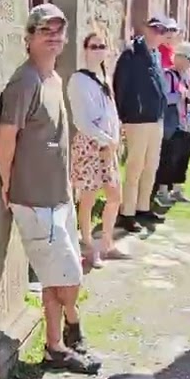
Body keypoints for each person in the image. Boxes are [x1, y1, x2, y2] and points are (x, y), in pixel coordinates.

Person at [0, 3, 99, 374]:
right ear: (28, 39)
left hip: (59, 197)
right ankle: (72, 327)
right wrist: (6, 181)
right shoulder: (25, 82)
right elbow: (6, 135)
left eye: (58, 30)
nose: (53, 37)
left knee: (58, 275)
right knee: (68, 275)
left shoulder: (54, 80)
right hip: (35, 199)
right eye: (44, 31)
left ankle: (55, 348)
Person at [66, 30, 128, 269]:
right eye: (94, 46)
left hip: (108, 146)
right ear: (85, 49)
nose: (98, 50)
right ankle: (88, 245)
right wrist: (104, 139)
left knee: (114, 195)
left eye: (102, 46)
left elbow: (110, 112)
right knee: (88, 198)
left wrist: (115, 137)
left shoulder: (104, 78)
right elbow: (81, 120)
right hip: (90, 145)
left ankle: (106, 242)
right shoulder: (78, 80)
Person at [111, 16, 174, 232]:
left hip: (155, 118)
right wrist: (125, 115)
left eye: (162, 30)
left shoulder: (156, 54)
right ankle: (127, 212)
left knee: (151, 166)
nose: (159, 34)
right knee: (135, 166)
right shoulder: (131, 53)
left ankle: (143, 207)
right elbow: (120, 86)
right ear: (146, 29)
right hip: (136, 120)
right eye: (156, 29)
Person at [153, 45, 190, 206]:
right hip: (173, 124)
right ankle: (162, 191)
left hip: (188, 122)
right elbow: (163, 98)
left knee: (183, 157)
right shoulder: (168, 75)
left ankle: (177, 190)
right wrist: (180, 95)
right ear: (179, 58)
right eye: (189, 59)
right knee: (168, 157)